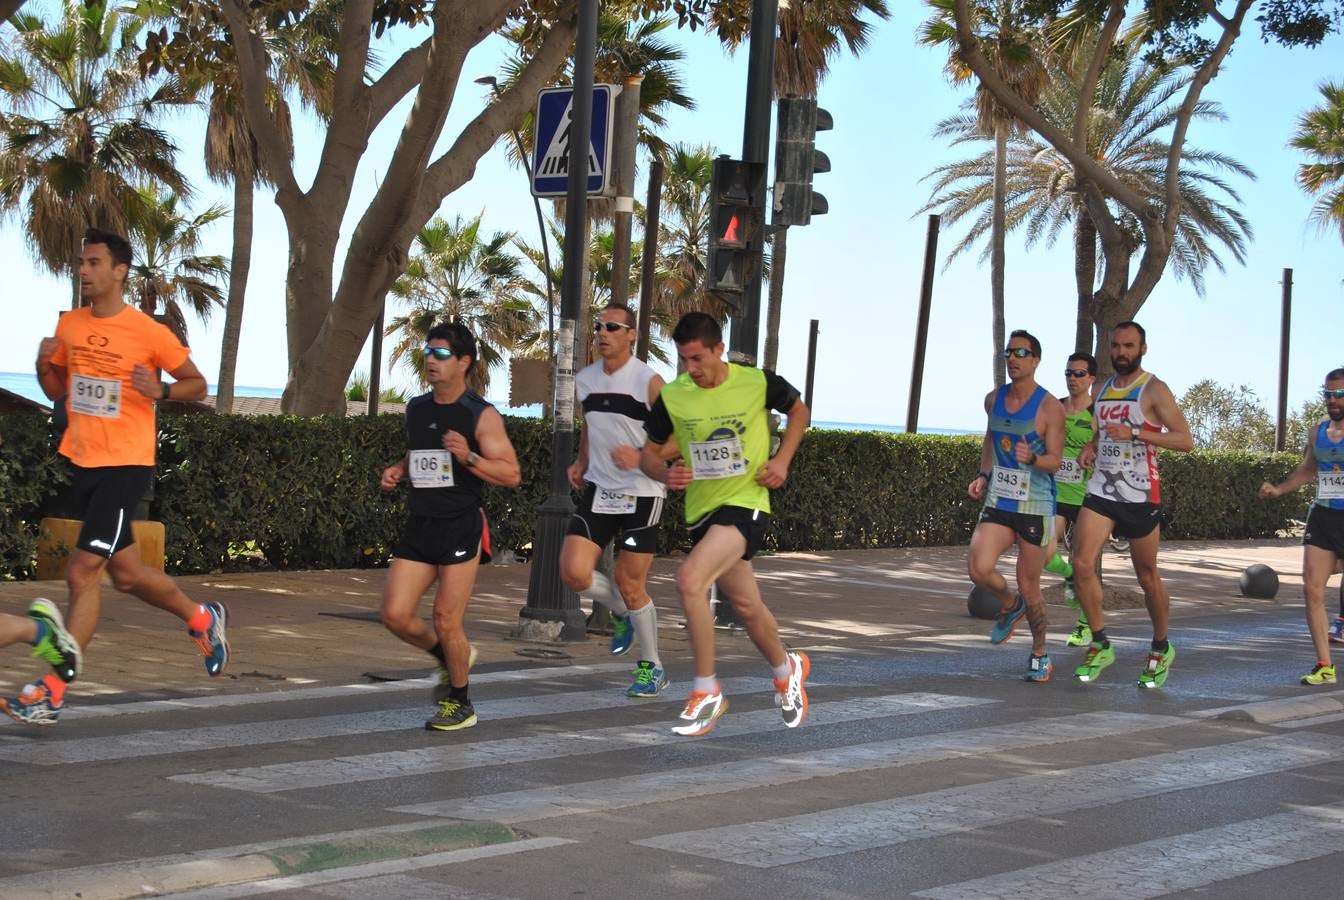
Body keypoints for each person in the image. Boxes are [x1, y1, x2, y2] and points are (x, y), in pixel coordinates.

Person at [1, 228, 227, 727]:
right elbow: (59, 391)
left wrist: (161, 389)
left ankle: (51, 691)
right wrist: (43, 367)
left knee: (83, 573)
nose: (83, 270)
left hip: (125, 465)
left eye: (93, 262)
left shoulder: (148, 332)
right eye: (81, 262)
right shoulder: (71, 325)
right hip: (81, 460)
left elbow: (196, 384)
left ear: (119, 271)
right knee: (126, 575)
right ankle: (201, 619)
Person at [638, 312, 810, 736]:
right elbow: (649, 453)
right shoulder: (675, 397)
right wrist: (665, 474)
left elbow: (799, 411)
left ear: (719, 349)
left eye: (698, 358)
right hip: (702, 512)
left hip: (747, 501)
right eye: (684, 360)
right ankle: (787, 669)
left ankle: (706, 690)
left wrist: (782, 461)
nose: (691, 369)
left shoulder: (756, 382)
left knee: (689, 580)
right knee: (749, 608)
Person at [379, 321, 521, 731]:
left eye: (441, 354)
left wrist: (470, 458)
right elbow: (418, 457)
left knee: (446, 618)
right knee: (395, 614)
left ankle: (460, 702)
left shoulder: (480, 415)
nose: (430, 359)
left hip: (460, 525)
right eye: (428, 351)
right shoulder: (417, 408)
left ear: (464, 362)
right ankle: (448, 656)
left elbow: (511, 474)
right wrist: (397, 470)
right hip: (420, 523)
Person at [1072, 321, 1193, 687]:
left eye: (1129, 346)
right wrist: (1091, 447)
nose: (1121, 352)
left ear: (1142, 348)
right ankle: (1101, 643)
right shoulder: (1103, 387)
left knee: (1147, 577)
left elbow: (1185, 440)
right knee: (1080, 563)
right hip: (1103, 491)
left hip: (1141, 495)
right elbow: (1100, 430)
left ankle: (1160, 646)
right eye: (1116, 346)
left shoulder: (1154, 389)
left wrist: (1139, 432)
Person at [560, 304, 669, 697]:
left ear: (631, 334)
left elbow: (677, 437)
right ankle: (622, 614)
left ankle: (652, 666)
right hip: (600, 488)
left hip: (643, 492)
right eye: (599, 326)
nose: (602, 333)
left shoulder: (649, 381)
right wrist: (582, 460)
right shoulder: (586, 379)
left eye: (612, 327)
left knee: (629, 580)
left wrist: (642, 458)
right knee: (573, 572)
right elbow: (592, 424)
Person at [967, 330, 1065, 682]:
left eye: (1021, 353)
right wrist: (983, 474)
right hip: (1000, 498)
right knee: (978, 569)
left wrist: (1034, 458)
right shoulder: (993, 400)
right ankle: (1010, 605)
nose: (1013, 358)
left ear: (1036, 360)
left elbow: (1056, 461)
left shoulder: (1050, 407)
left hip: (1035, 504)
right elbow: (990, 438)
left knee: (1030, 584)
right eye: (1009, 352)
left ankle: (1040, 653)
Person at [1258, 368, 1344, 685]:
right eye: (1328, 394)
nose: (1332, 400)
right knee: (1312, 588)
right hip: (1323, 515)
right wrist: (1279, 489)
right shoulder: (1316, 432)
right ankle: (1324, 664)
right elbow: (1308, 468)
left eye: (1339, 395)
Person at [1055, 352, 1098, 647]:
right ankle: (1068, 577)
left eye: (1079, 374)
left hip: (1087, 497)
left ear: (1091, 379)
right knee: (1044, 550)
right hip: (1055, 493)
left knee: (1084, 563)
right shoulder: (1056, 407)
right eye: (1069, 373)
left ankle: (1085, 625)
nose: (1073, 379)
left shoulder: (1097, 413)